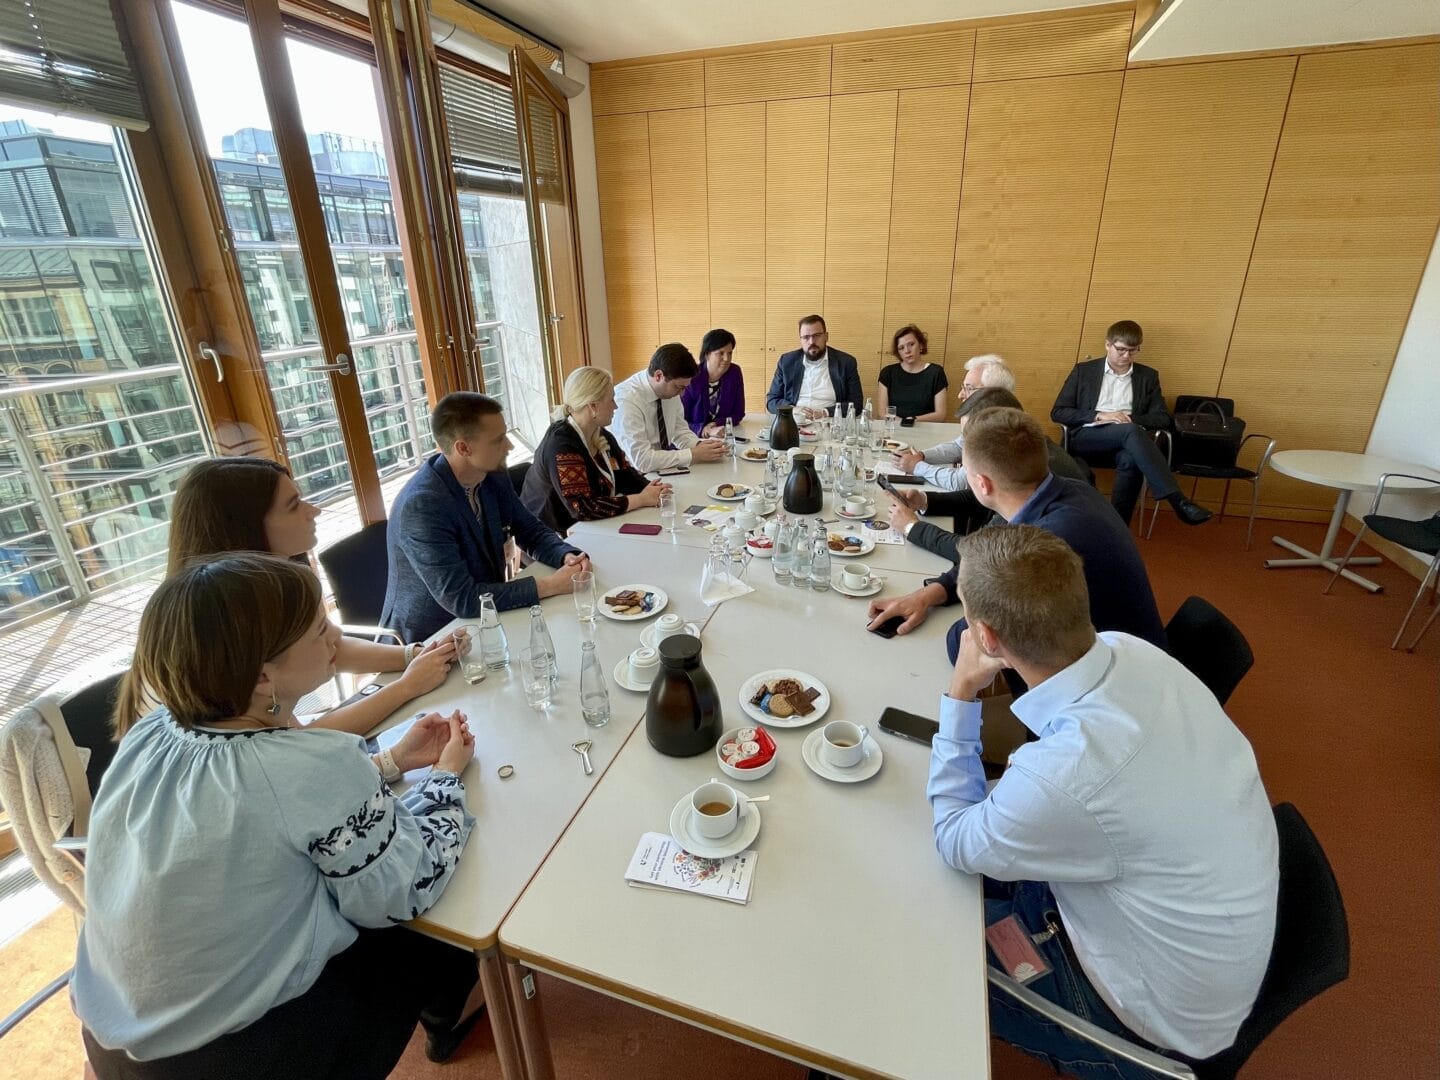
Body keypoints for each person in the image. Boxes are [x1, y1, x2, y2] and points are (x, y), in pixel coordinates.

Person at [74, 554, 484, 1077]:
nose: (335, 638)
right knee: (438, 932)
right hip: (236, 1054)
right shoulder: (311, 765)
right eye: (319, 630)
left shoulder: (150, 733)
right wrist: (446, 779)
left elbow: (264, 817)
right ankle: (451, 1022)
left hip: (114, 1036)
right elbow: (405, 886)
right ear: (264, 678)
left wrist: (390, 762)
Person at [931, 525, 1277, 1076]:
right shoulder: (1131, 651)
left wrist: (961, 691)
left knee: (924, 945)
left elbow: (953, 839)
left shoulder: (1069, 775)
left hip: (1149, 1028)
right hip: (1191, 945)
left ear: (987, 639)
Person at [156, 456, 458, 738]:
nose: (313, 510)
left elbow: (333, 647)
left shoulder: (275, 584)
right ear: (247, 525)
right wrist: (406, 688)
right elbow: (298, 744)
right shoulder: (222, 625)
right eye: (293, 505)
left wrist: (416, 655)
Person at [867, 408, 1167, 660]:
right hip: (1139, 659)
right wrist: (929, 594)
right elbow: (989, 558)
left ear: (982, 484)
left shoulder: (1039, 548)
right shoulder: (1068, 491)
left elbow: (967, 643)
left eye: (964, 469)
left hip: (1113, 689)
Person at [382, 392, 589, 643]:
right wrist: (552, 585)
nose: (509, 446)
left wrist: (565, 556)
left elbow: (529, 529)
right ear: (463, 448)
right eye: (499, 440)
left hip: (488, 620)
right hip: (432, 638)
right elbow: (462, 598)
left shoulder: (492, 476)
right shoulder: (423, 505)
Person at [887, 388, 1092, 560]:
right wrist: (926, 501)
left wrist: (911, 528)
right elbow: (980, 499)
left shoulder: (1041, 519)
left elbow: (979, 553)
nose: (963, 444)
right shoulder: (1031, 450)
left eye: (968, 438)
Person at [1051, 319, 1211, 526]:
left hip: (1129, 441)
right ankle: (1178, 500)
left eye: (1133, 351)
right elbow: (1058, 412)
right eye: (1121, 350)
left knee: (1131, 458)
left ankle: (1117, 525)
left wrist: (1130, 419)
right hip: (1087, 437)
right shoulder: (1084, 371)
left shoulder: (1147, 376)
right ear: (1108, 344)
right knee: (1132, 433)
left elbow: (1162, 418)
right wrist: (1099, 415)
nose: (1126, 356)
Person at [523, 366, 670, 533]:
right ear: (593, 406)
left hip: (590, 526)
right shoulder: (561, 446)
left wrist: (655, 489)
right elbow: (583, 508)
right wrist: (641, 499)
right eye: (611, 400)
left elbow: (625, 475)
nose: (615, 406)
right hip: (552, 533)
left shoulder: (600, 433)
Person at [893, 354, 1015, 490]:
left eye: (969, 388)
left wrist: (917, 466)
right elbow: (959, 446)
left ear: (992, 393)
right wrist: (922, 456)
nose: (960, 394)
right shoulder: (986, 418)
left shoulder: (1001, 430)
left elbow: (961, 481)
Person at [612, 343, 728, 472]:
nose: (682, 394)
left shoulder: (669, 390)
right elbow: (642, 460)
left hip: (661, 467)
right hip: (632, 474)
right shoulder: (626, 401)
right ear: (658, 376)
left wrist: (701, 446)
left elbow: (679, 431)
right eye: (679, 387)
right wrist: (694, 454)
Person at [765, 314, 863, 420]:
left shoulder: (846, 363)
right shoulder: (787, 362)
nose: (811, 342)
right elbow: (771, 401)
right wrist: (792, 409)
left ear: (826, 336)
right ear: (801, 340)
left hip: (830, 423)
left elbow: (856, 404)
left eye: (816, 336)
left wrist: (825, 412)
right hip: (794, 421)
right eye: (806, 337)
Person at [681, 328, 747, 436]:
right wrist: (704, 430)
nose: (726, 358)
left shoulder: (734, 372)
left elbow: (738, 413)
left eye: (729, 353)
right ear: (707, 355)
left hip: (722, 434)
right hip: (692, 438)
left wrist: (716, 423)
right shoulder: (692, 378)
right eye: (720, 353)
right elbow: (679, 421)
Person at [877, 324, 948, 422]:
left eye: (911, 344)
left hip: (926, 430)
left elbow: (941, 414)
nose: (907, 351)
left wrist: (912, 420)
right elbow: (882, 413)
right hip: (895, 429)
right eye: (901, 348)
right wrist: (902, 423)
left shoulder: (936, 372)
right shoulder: (887, 373)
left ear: (921, 345)